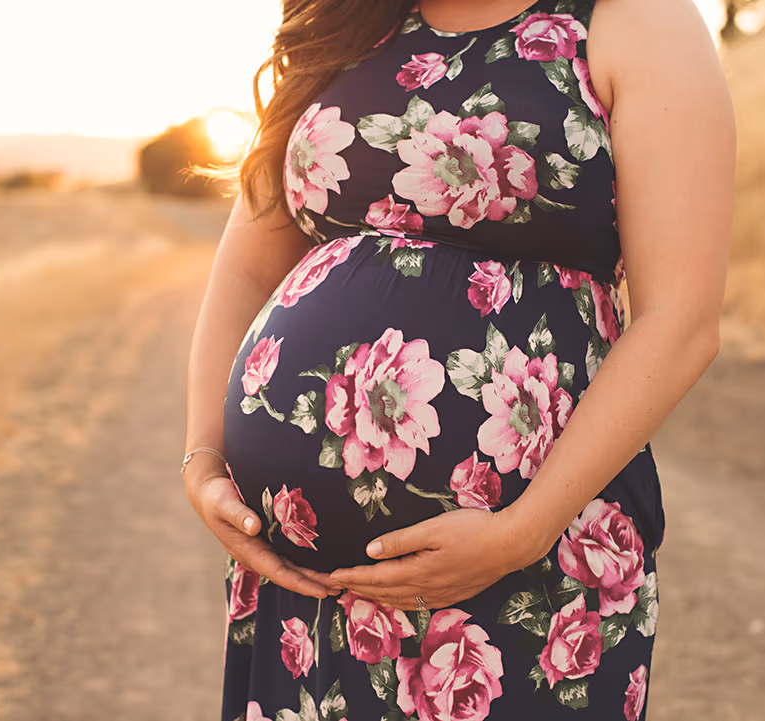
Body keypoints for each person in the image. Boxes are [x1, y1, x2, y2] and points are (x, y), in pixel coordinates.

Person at [183, 0, 734, 718]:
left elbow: (681, 319)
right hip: (308, 591)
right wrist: (202, 455)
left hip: (533, 560)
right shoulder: (344, 24)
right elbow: (249, 270)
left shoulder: (632, 21)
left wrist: (521, 530)